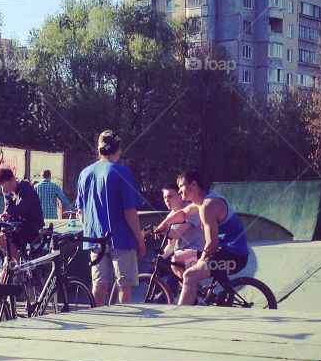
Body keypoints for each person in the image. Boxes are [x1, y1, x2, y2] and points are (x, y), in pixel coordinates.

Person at [157, 170, 249, 306]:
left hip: (234, 257)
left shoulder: (208, 206)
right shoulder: (200, 201)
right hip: (223, 250)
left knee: (190, 275)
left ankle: (182, 315)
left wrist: (200, 263)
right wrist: (163, 224)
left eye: (181, 186)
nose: (179, 190)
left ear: (193, 185)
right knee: (176, 259)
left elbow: (212, 244)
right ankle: (191, 297)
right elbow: (183, 214)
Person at [75, 130, 146, 305]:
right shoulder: (122, 173)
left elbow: (80, 212)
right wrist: (140, 240)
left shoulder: (85, 173)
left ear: (99, 150)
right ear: (119, 148)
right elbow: (129, 212)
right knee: (125, 287)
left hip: (95, 239)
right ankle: (122, 326)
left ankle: (99, 324)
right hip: (121, 238)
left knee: (99, 286)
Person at [154, 182, 205, 290]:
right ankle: (192, 294)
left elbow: (175, 234)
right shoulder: (170, 216)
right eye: (164, 197)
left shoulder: (191, 210)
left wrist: (156, 230)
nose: (167, 200)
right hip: (182, 254)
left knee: (174, 270)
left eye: (170, 196)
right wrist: (161, 257)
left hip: (198, 252)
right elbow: (171, 245)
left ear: (179, 195)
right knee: (167, 268)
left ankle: (190, 294)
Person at [0, 167, 43, 262]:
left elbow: (18, 209)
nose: (3, 190)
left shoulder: (26, 191)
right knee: (2, 237)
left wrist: (9, 214)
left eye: (3, 185)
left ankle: (14, 264)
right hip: (23, 226)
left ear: (12, 179)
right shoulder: (14, 191)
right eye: (0, 187)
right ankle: (12, 265)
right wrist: (6, 214)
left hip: (31, 229)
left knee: (1, 238)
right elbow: (12, 210)